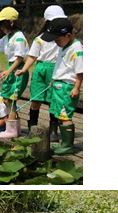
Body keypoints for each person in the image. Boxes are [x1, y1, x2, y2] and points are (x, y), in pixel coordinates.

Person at [15, 6, 66, 140]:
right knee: (36, 99)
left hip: (55, 69)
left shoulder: (63, 38)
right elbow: (32, 56)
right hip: (40, 70)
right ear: (47, 22)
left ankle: (53, 130)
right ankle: (33, 128)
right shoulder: (40, 38)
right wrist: (24, 69)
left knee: (54, 100)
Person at [42, 17, 82, 155]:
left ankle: (68, 145)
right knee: (59, 114)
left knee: (65, 115)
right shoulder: (64, 46)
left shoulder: (76, 48)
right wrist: (55, 79)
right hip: (58, 85)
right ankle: (64, 143)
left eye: (57, 40)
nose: (56, 43)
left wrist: (76, 87)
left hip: (67, 88)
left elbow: (80, 71)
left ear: (68, 35)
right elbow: (61, 66)